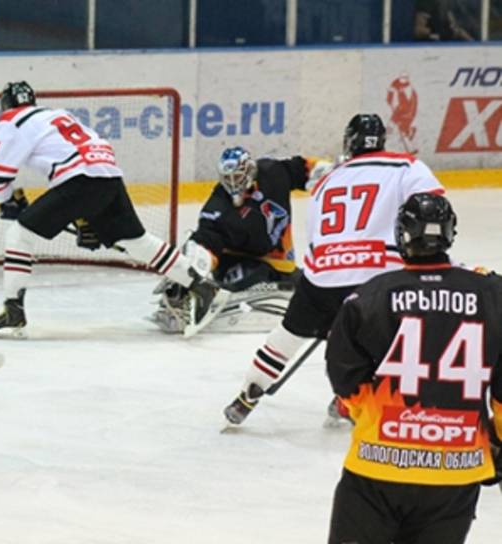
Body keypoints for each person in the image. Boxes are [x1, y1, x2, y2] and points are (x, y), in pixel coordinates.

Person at [222, 113, 445, 427]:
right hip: (378, 277)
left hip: (322, 274)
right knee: (384, 340)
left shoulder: (328, 179)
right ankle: (350, 398)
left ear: (349, 142)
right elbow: (430, 214)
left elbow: (316, 236)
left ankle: (248, 394)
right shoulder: (407, 167)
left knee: (288, 334)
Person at [0, 81, 227, 337]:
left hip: (79, 179)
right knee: (137, 242)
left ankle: (13, 309)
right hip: (108, 176)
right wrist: (85, 216)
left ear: (6, 105)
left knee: (19, 235)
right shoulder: (58, 115)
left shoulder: (12, 120)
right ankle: (202, 286)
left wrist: (6, 200)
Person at [326, 193, 502, 544]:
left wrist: (374, 418)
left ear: (402, 235)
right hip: (457, 472)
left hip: (378, 467)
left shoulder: (370, 296)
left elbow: (345, 377)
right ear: (449, 234)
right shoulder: (492, 294)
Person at [150, 146, 331, 333]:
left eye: (236, 177)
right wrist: (191, 270)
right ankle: (190, 300)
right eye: (227, 178)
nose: (232, 183)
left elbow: (304, 169)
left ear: (250, 170)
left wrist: (336, 172)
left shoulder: (273, 173)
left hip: (280, 263)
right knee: (251, 277)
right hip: (236, 262)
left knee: (307, 287)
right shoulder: (217, 207)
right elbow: (207, 241)